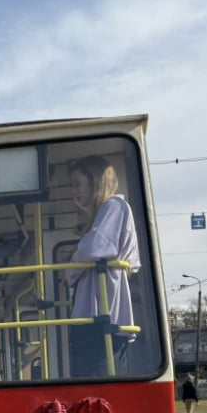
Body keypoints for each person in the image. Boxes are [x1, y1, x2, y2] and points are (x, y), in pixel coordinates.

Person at [64, 155, 140, 377]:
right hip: (95, 313)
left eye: (78, 184)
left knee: (96, 381)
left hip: (101, 315)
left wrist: (72, 269)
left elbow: (93, 249)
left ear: (96, 181)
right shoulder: (107, 211)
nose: (74, 192)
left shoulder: (115, 206)